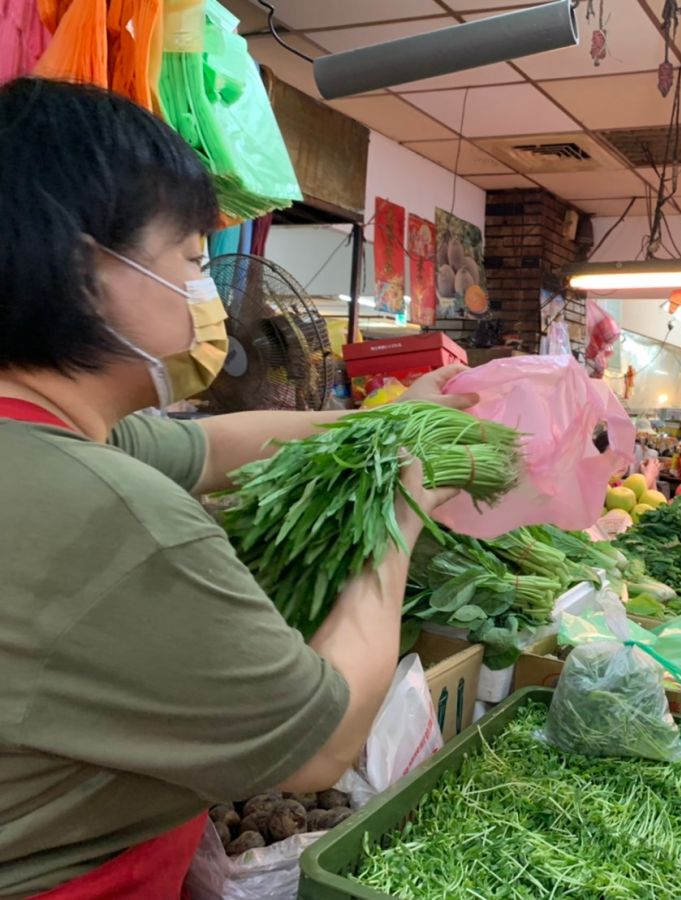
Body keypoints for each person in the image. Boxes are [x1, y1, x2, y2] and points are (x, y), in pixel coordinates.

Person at [0, 79, 476, 896]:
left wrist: (393, 424)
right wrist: (399, 511)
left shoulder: (52, 440)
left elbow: (212, 445)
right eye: (191, 261)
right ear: (86, 271)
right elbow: (323, 741)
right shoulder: (119, 517)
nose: (208, 293)